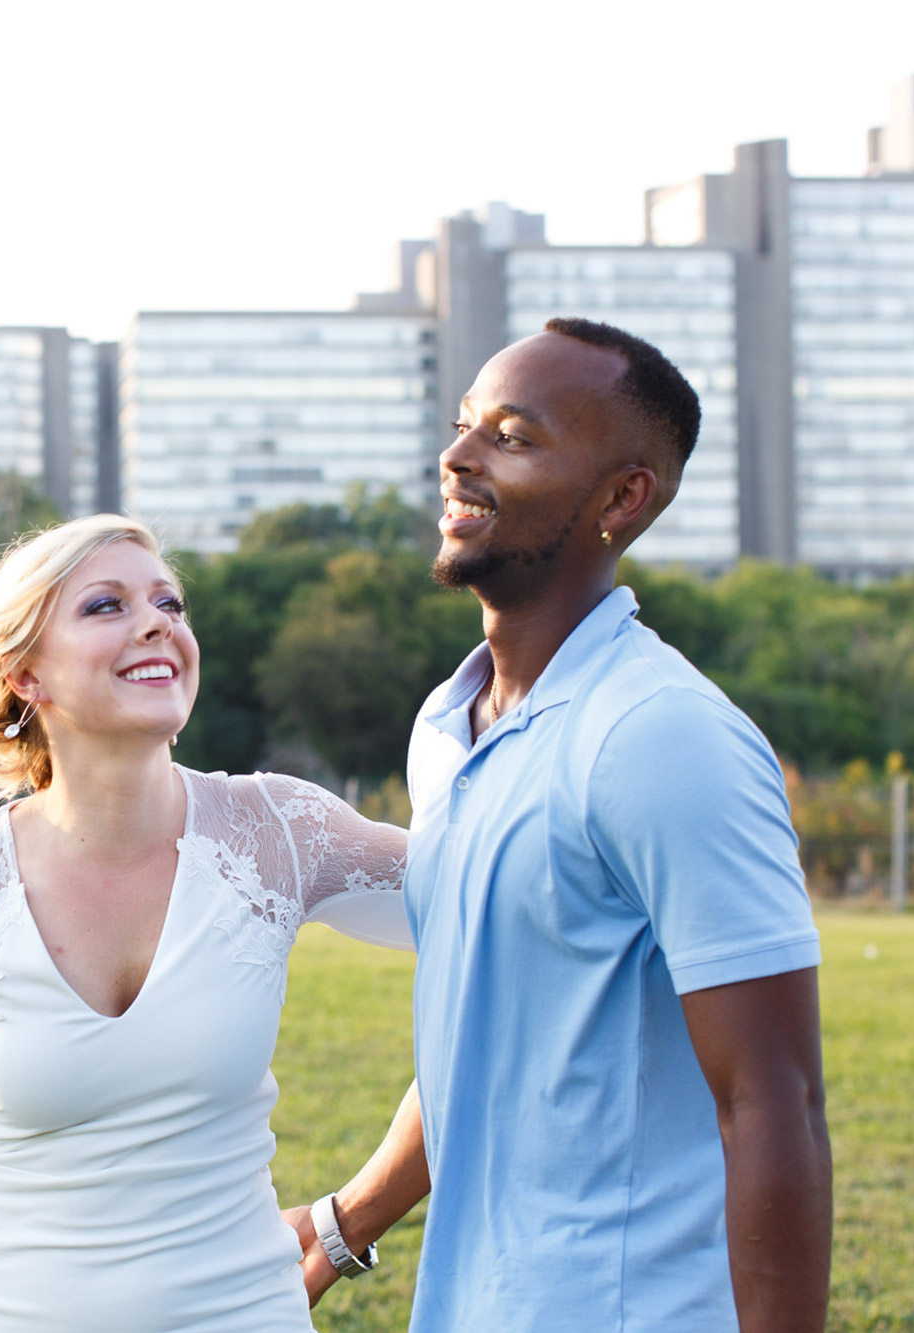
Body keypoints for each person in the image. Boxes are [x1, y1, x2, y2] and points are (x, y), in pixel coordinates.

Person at [287, 318, 832, 1331]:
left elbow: (774, 1105)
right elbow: (493, 1042)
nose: (455, 459)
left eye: (511, 437)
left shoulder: (661, 736)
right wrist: (339, 1223)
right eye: (460, 427)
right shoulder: (446, 729)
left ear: (622, 498)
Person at [0, 514, 413, 1332]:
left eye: (169, 601)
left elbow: (501, 922)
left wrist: (358, 1212)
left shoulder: (278, 832)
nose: (158, 622)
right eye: (106, 605)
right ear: (27, 673)